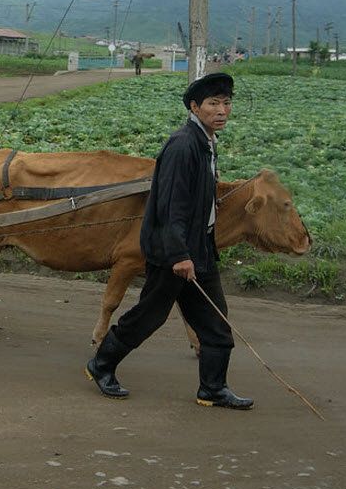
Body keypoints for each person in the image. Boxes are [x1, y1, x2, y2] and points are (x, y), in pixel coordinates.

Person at [85, 72, 253, 411]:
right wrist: (179, 255)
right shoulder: (183, 145)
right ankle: (100, 365)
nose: (222, 110)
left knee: (216, 320)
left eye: (226, 103)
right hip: (174, 253)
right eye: (213, 104)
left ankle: (213, 389)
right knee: (149, 316)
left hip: (200, 249)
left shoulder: (206, 142)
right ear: (195, 106)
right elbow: (170, 206)